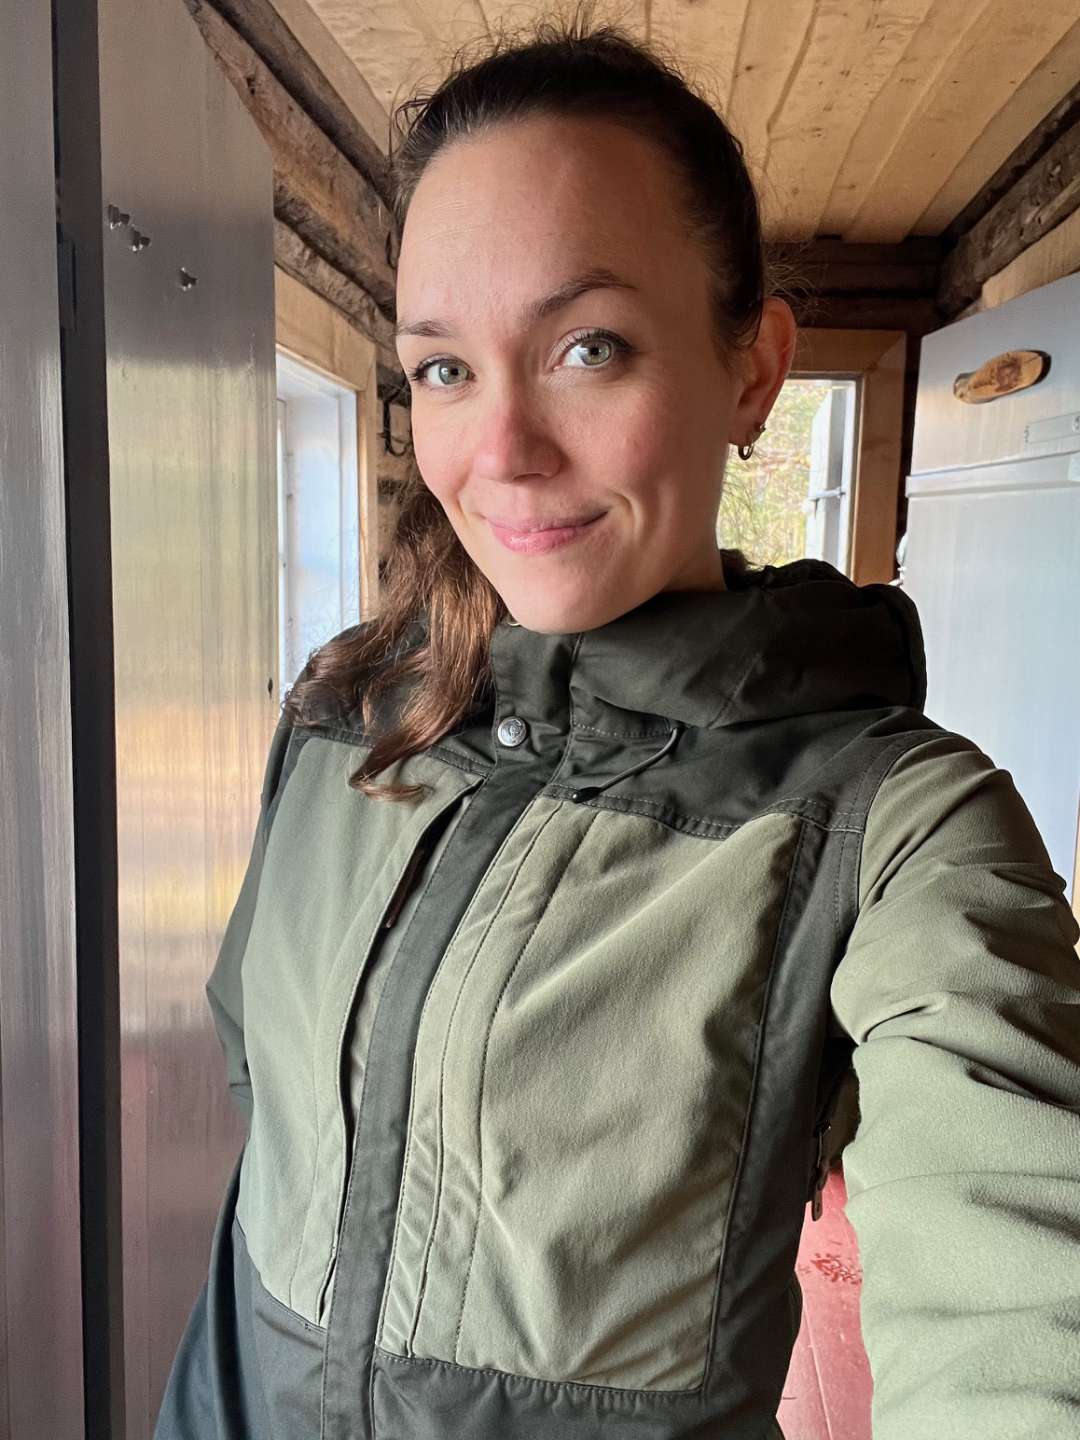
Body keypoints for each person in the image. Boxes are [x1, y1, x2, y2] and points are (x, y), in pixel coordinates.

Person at [156, 23, 1080, 1440]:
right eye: (444, 369)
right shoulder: (348, 720)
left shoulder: (890, 826)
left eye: (588, 348)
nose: (502, 450)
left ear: (753, 368)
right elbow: (270, 1107)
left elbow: (1019, 1313)